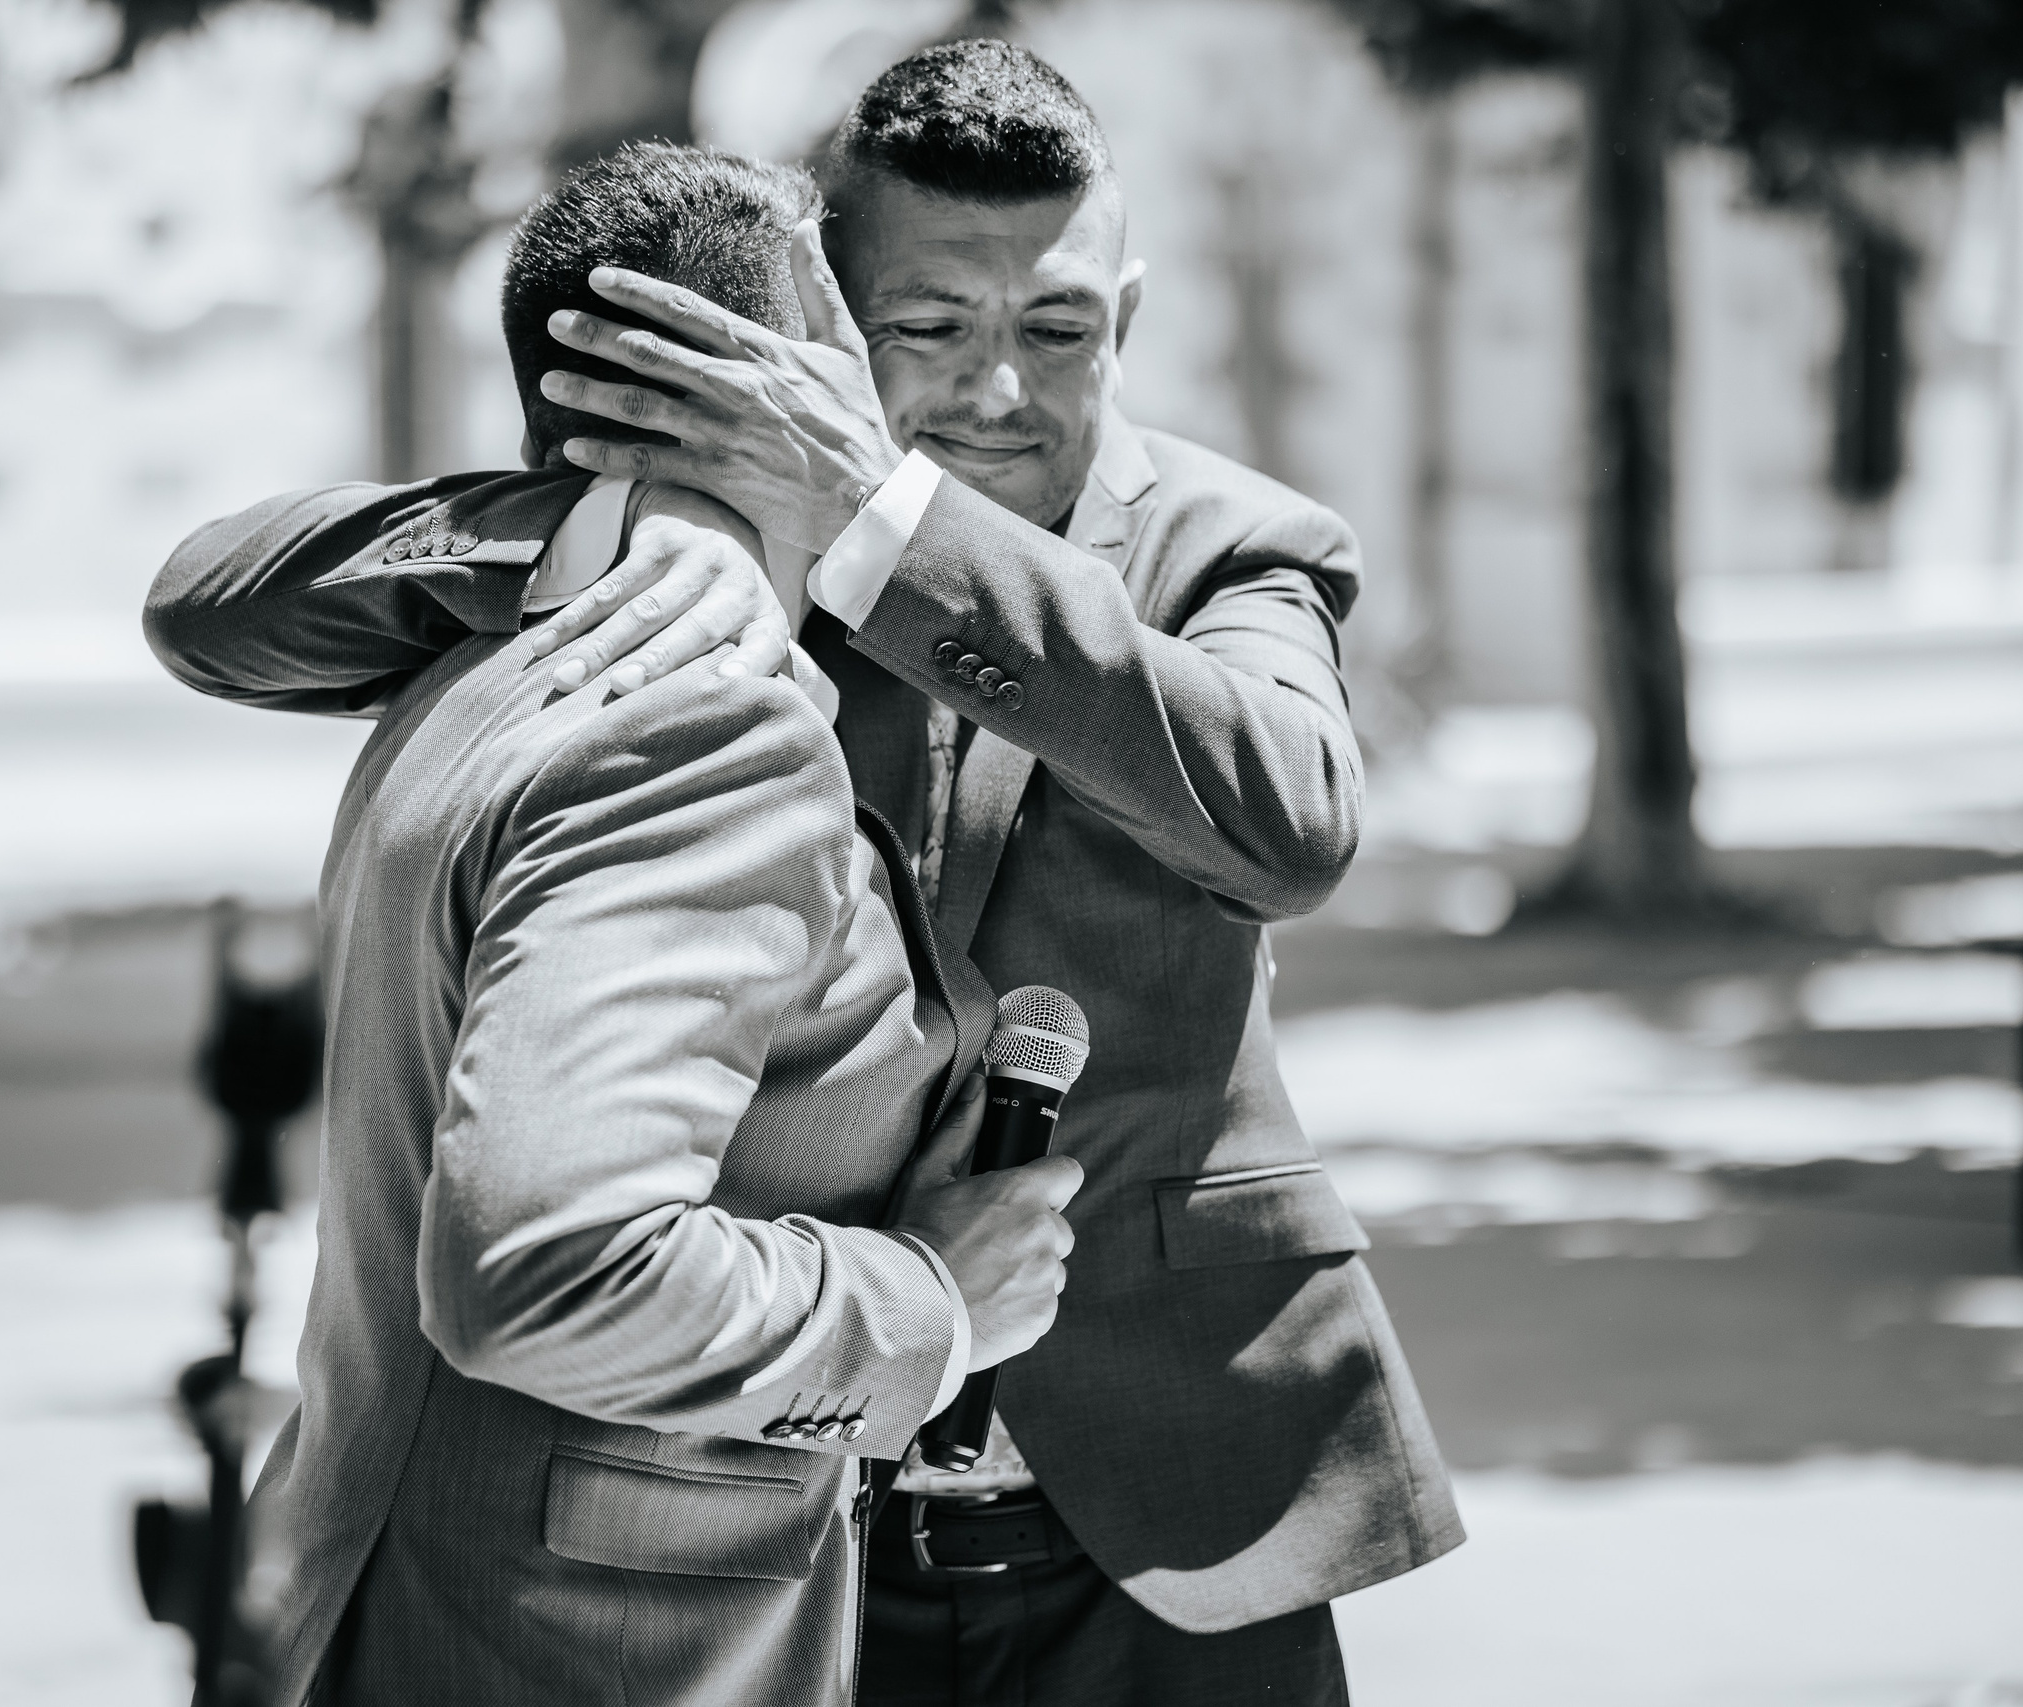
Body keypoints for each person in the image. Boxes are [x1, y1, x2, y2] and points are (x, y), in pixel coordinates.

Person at [221, 40, 1467, 1707]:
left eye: (1060, 327)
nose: (1000, 393)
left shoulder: (1230, 544)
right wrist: (610, 518)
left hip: (1165, 1514)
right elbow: (212, 608)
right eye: (930, 330)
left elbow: (1294, 819)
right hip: (782, 1506)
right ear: (808, 339)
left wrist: (892, 518)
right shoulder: (725, 543)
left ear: (1130, 313)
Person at [142, 142, 1084, 1707]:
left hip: (376, 1601)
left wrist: (622, 510)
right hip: (571, 1657)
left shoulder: (476, 672)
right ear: (756, 386)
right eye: (857, 351)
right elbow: (543, 1265)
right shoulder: (705, 722)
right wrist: (929, 1309)